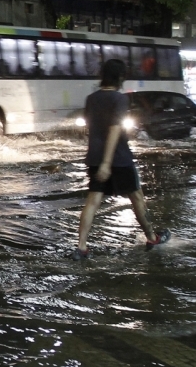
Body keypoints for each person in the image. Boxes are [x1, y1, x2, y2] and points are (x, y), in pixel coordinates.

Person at [71, 59, 170, 260]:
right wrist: (108, 163)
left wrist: (101, 160)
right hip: (119, 159)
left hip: (95, 157)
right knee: (137, 197)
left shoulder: (91, 98)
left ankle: (81, 247)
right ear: (120, 77)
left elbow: (90, 128)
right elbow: (115, 129)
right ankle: (152, 237)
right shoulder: (120, 99)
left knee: (93, 201)